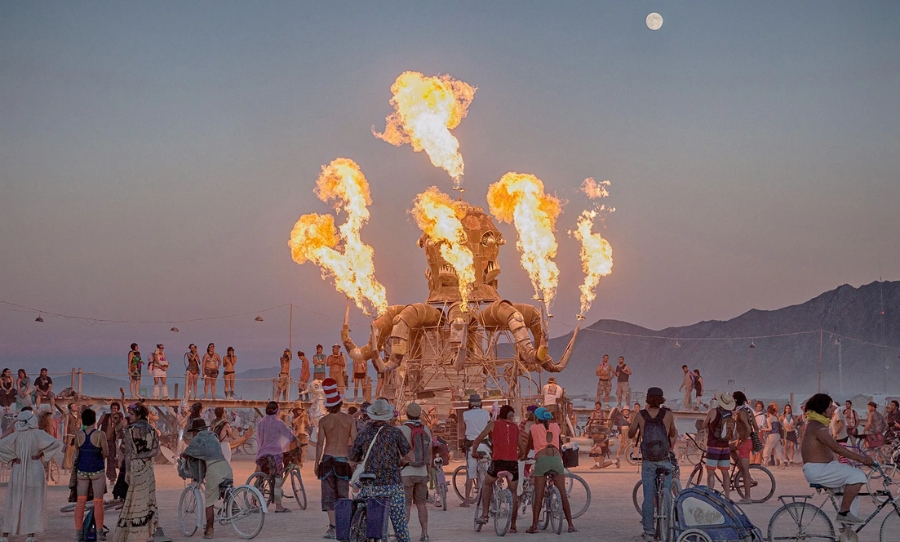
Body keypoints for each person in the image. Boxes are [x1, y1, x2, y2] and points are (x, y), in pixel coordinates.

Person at [801, 393, 874, 526]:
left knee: (852, 493)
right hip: (819, 470)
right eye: (829, 407)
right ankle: (843, 513)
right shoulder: (817, 426)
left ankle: (845, 532)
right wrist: (862, 459)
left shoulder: (816, 424)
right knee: (858, 476)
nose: (833, 410)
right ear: (822, 409)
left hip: (825, 468)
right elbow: (837, 448)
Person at [349, 398, 412, 542]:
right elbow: (410, 457)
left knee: (365, 522)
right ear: (388, 416)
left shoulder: (363, 433)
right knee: (400, 527)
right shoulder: (395, 433)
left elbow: (352, 459)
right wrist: (400, 461)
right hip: (392, 484)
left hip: (369, 485)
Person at [0, 410, 63, 542]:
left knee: (14, 500)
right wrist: (41, 454)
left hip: (18, 468)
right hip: (34, 468)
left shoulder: (16, 435)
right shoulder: (38, 434)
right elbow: (55, 443)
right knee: (34, 501)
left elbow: (1, 445)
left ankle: (5, 534)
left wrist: (12, 457)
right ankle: (31, 535)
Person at [629, 387, 677, 541]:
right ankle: (668, 525)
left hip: (648, 461)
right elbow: (673, 434)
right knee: (667, 494)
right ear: (661, 399)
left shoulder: (640, 415)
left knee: (648, 497)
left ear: (647, 399)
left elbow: (630, 433)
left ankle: (649, 531)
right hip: (664, 459)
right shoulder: (668, 414)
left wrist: (636, 425)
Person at [113, 402, 161, 542]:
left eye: (131, 414)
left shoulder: (130, 430)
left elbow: (128, 453)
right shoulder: (152, 430)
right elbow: (155, 451)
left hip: (135, 466)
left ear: (138, 415)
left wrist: (127, 470)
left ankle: (133, 532)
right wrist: (143, 456)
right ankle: (147, 531)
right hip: (148, 468)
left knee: (133, 498)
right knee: (147, 499)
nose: (129, 416)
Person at [315, 378, 356, 538]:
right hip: (343, 460)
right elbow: (355, 441)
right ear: (340, 403)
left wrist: (317, 463)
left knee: (328, 495)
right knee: (343, 494)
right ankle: (344, 525)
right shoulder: (349, 420)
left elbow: (320, 444)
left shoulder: (323, 420)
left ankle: (333, 527)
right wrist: (353, 461)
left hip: (327, 460)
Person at [525, 407, 576, 533]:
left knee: (539, 494)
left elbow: (528, 445)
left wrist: (524, 455)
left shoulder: (534, 428)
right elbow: (558, 443)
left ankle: (534, 525)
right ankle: (570, 525)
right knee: (563, 494)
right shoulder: (556, 427)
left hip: (542, 460)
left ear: (536, 418)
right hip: (556, 460)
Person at [181, 418, 234, 539]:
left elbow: (187, 452)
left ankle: (209, 530)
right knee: (224, 490)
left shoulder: (198, 438)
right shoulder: (213, 436)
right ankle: (228, 509)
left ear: (195, 431)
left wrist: (181, 456)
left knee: (209, 502)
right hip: (225, 466)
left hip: (214, 469)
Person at [472, 404, 520, 533]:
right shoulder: (516, 428)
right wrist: (519, 456)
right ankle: (513, 525)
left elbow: (478, 439)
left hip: (498, 462)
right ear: (511, 416)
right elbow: (522, 446)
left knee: (487, 483)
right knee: (513, 493)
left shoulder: (493, 424)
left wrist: (473, 452)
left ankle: (485, 514)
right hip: (513, 463)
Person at [72, 408, 109, 541]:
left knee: (80, 502)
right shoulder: (100, 434)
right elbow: (106, 453)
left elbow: (77, 450)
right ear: (94, 419)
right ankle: (99, 534)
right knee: (98, 502)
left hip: (82, 471)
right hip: (97, 471)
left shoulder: (78, 434)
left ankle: (79, 534)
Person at [400, 403, 433, 541]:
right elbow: (430, 451)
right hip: (422, 472)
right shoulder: (426, 429)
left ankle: (403, 535)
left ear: (406, 414)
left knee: (406, 505)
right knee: (421, 505)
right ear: (420, 414)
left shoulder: (402, 429)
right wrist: (428, 471)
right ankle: (424, 534)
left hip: (406, 472)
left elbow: (399, 453)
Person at [256, 401, 296, 513]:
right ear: (277, 411)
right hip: (274, 456)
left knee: (261, 478)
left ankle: (253, 501)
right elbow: (289, 435)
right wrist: (294, 439)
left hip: (262, 455)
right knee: (277, 479)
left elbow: (259, 438)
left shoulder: (261, 423)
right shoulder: (279, 423)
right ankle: (278, 506)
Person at [702, 391, 735, 500]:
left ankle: (710, 494)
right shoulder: (730, 414)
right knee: (725, 472)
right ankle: (727, 496)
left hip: (713, 445)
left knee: (710, 472)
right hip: (725, 446)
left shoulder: (713, 411)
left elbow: (704, 424)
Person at [460, 394, 490, 507]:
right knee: (486, 472)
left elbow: (463, 429)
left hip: (472, 446)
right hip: (484, 445)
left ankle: (467, 500)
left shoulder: (466, 414)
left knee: (470, 474)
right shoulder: (486, 413)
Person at [732, 391, 756, 503]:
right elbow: (756, 427)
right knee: (729, 448)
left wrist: (742, 441)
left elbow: (748, 429)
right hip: (747, 441)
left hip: (745, 443)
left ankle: (747, 498)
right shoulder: (749, 410)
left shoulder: (741, 412)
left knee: (746, 471)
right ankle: (739, 468)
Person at [99, 402, 126, 485]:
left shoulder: (118, 418)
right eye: (113, 408)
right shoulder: (105, 416)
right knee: (100, 459)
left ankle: (112, 477)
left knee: (111, 459)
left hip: (112, 441)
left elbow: (123, 427)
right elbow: (97, 424)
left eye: (115, 409)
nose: (114, 410)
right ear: (110, 409)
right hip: (103, 441)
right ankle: (99, 477)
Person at [62, 403, 80, 472]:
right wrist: (65, 436)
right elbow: (65, 426)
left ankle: (75, 466)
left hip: (77, 435)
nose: (75, 406)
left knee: (77, 452)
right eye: (73, 406)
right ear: (70, 408)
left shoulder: (79, 416)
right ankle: (67, 467)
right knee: (68, 452)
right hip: (70, 435)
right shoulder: (68, 415)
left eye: (75, 405)